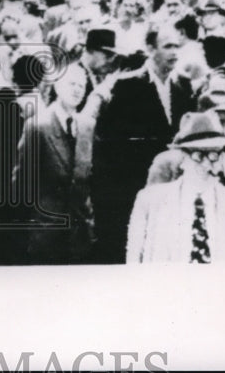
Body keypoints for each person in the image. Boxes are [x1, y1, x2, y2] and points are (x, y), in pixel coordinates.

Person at [90, 24, 191, 263]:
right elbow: (111, 147)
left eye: (177, 46)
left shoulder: (183, 86)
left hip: (172, 189)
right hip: (133, 189)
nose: (174, 52)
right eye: (167, 46)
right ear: (150, 48)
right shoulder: (127, 85)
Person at [127, 112, 225, 263]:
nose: (208, 164)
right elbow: (133, 259)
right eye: (198, 155)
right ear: (182, 157)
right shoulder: (149, 200)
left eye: (214, 155)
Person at [12, 62, 95, 265]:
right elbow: (21, 182)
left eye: (81, 86)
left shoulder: (87, 125)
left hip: (80, 232)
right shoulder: (37, 126)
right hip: (47, 232)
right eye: (71, 84)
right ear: (57, 86)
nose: (77, 90)